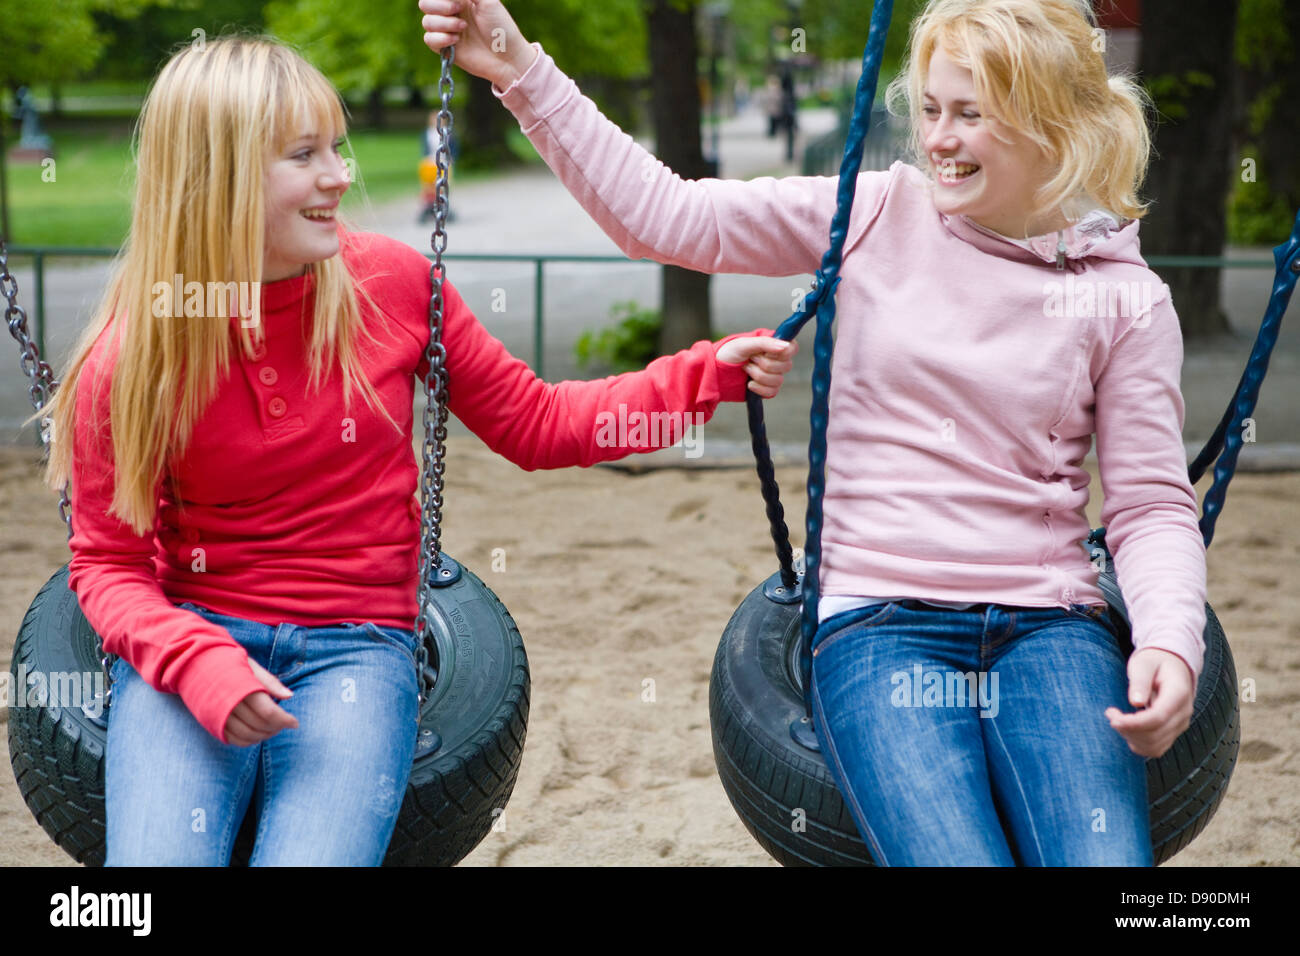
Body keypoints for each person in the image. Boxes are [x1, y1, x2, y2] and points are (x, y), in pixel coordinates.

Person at [419, 0, 1207, 866]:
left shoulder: (1123, 297)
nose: (938, 139)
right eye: (932, 109)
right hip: (880, 623)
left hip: (1049, 623)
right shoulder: (871, 215)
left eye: (971, 115)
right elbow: (665, 217)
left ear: (1055, 124)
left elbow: (1149, 504)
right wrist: (522, 71)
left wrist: (1170, 637)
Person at [39, 34, 795, 866]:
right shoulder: (134, 357)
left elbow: (538, 424)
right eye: (305, 155)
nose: (341, 176)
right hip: (190, 635)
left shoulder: (393, 287)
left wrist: (700, 378)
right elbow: (107, 567)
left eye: (338, 147)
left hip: (354, 647)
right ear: (214, 181)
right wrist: (197, 662)